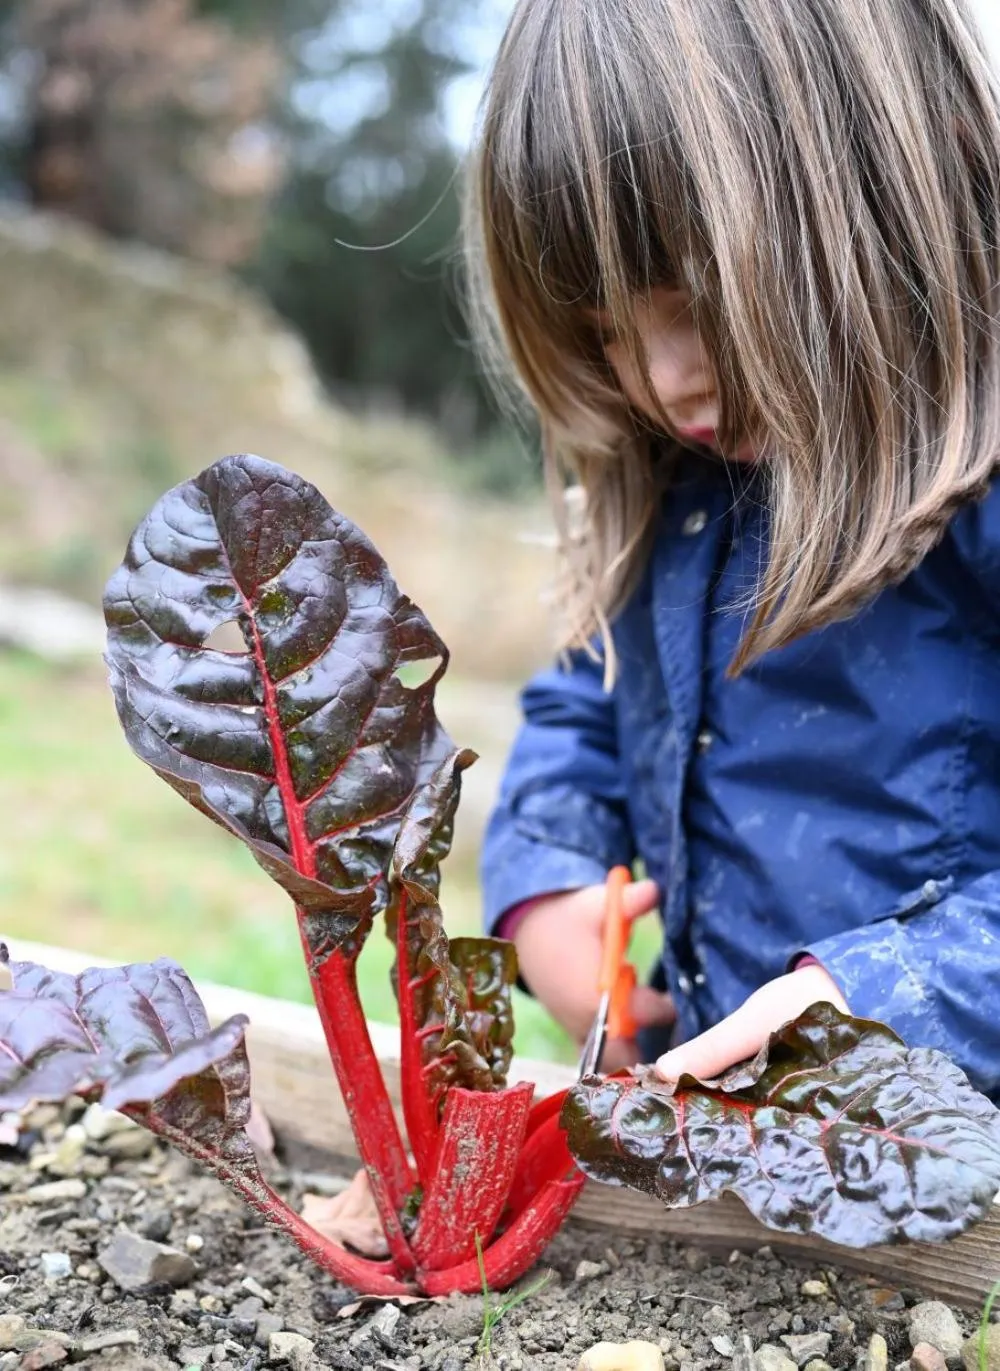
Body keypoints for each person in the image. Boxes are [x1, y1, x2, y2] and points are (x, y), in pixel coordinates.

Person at [463, 0, 1000, 1100]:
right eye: (608, 331)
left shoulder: (974, 480)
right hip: (731, 1141)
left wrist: (889, 999)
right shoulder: (679, 481)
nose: (667, 384)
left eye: (700, 301)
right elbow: (588, 698)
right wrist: (546, 877)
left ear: (906, 183)